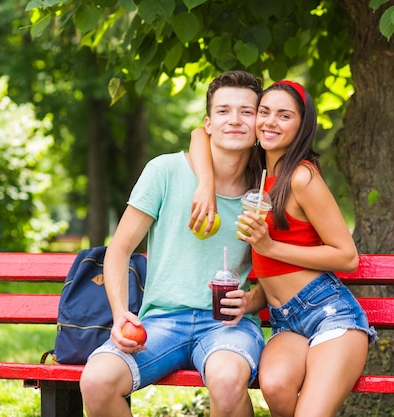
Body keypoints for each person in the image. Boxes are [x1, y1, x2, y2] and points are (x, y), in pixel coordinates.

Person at [79, 70, 267, 417]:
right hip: (161, 321)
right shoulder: (164, 171)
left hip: (229, 326)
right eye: (224, 111)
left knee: (226, 383)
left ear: (260, 122)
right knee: (96, 381)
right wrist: (121, 315)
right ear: (208, 123)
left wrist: (251, 300)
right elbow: (118, 251)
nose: (235, 120)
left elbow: (282, 272)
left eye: (247, 111)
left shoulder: (267, 190)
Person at [190, 80, 377, 417]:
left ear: (302, 126)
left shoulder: (302, 178)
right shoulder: (257, 176)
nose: (270, 122)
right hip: (285, 321)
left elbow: (347, 256)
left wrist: (269, 245)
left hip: (328, 314)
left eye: (284, 115)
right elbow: (198, 135)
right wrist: (250, 300)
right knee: (274, 386)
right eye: (264, 112)